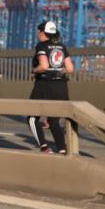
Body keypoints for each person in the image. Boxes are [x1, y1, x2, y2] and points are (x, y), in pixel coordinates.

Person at [28, 20, 74, 154]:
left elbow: (44, 66)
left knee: (32, 117)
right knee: (54, 121)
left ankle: (44, 147)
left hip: (44, 85)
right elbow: (70, 69)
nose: (38, 34)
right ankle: (62, 150)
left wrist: (34, 71)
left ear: (43, 33)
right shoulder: (62, 46)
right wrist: (57, 71)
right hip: (61, 86)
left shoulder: (41, 46)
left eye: (38, 32)